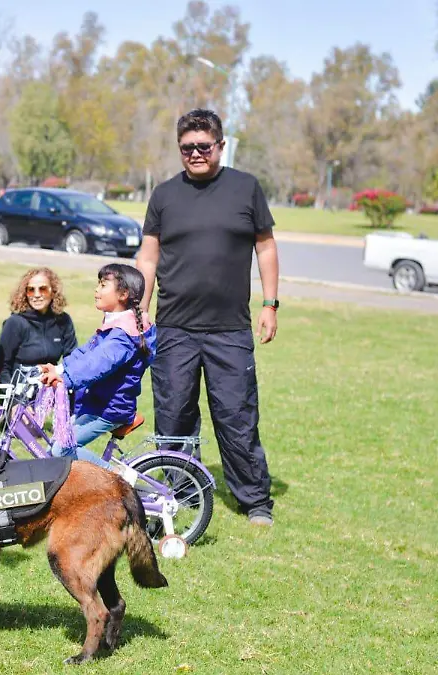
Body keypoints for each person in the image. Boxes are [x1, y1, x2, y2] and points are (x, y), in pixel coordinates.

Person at [134, 108, 281, 527]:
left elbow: (265, 247)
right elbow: (148, 255)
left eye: (203, 146)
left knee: (236, 416)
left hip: (230, 330)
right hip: (175, 328)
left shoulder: (245, 189)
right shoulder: (163, 195)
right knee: (174, 417)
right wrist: (140, 309)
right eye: (187, 148)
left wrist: (270, 305)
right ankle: (181, 492)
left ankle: (255, 501)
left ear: (219, 145)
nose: (196, 153)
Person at [38, 264, 156, 469]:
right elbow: (86, 354)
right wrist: (58, 369)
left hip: (109, 409)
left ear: (123, 294)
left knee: (61, 449)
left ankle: (117, 479)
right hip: (97, 404)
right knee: (55, 447)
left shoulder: (123, 335)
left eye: (103, 285)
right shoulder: (115, 325)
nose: (96, 290)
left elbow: (96, 364)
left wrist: (66, 379)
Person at [0, 267, 78, 385]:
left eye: (43, 289)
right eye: (31, 290)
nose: (36, 295)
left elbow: (72, 358)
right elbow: (2, 365)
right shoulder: (15, 322)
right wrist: (11, 399)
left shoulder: (63, 320)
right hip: (20, 392)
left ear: (53, 291)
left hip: (51, 387)